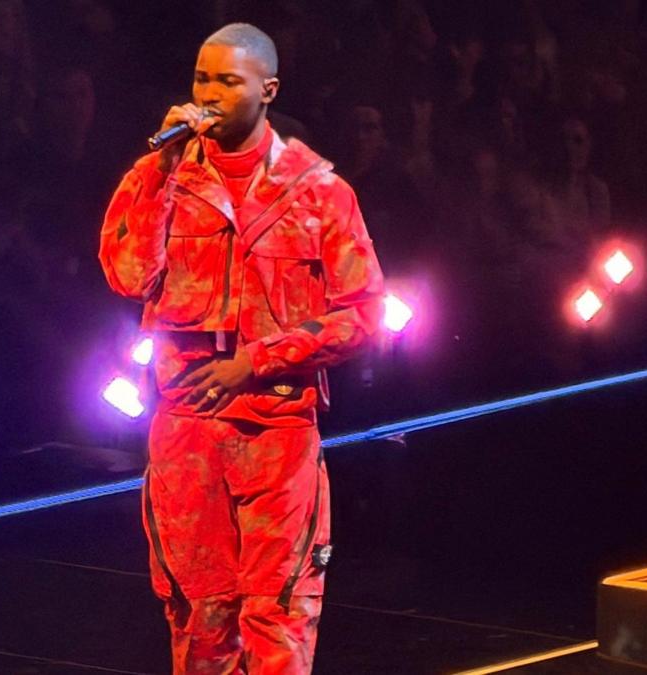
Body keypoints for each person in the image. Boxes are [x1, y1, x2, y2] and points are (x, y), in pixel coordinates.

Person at [98, 23, 384, 674]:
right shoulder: (159, 177)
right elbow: (126, 275)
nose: (210, 92)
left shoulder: (319, 195)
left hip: (277, 440)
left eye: (229, 80)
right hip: (187, 438)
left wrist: (256, 359)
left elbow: (364, 314)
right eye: (203, 78)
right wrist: (160, 172)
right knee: (200, 619)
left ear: (267, 89)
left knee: (279, 618)